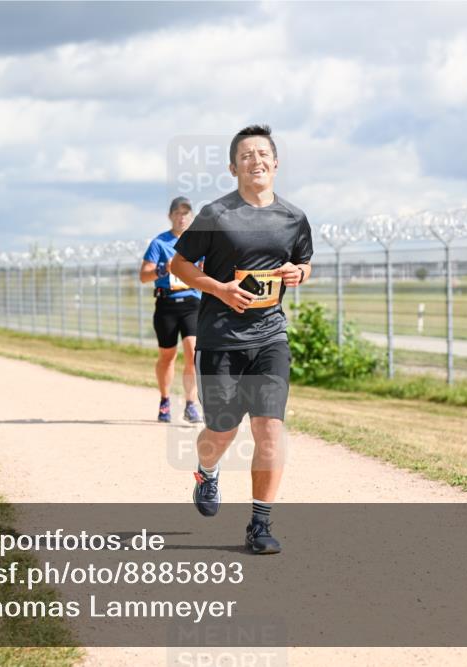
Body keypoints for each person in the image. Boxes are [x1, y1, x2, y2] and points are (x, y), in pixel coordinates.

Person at [172, 124, 313, 555]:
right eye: (246, 155)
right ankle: (206, 470)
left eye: (263, 153)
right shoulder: (216, 215)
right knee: (221, 431)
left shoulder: (294, 218)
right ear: (233, 167)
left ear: (275, 162)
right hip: (220, 339)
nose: (256, 160)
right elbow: (179, 264)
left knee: (269, 428)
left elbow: (304, 263)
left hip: (271, 337)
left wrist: (299, 273)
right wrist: (218, 289)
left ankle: (260, 525)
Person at [139, 196, 203, 424]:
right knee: (167, 356)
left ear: (191, 217)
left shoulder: (197, 243)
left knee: (193, 352)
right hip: (166, 303)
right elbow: (143, 276)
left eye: (186, 213)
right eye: (178, 213)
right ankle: (165, 400)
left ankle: (190, 404)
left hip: (191, 302)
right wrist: (163, 270)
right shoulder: (159, 243)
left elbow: (207, 270)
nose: (182, 217)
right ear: (170, 216)